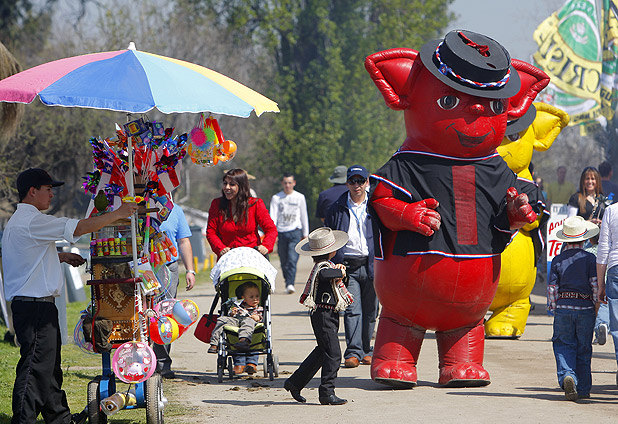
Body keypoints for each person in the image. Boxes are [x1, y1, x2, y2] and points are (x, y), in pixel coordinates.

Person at [2, 168, 139, 424]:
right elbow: (77, 228)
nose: (51, 195)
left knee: (49, 368)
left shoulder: (19, 222)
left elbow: (26, 258)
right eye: (48, 190)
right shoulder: (33, 221)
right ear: (33, 192)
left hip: (34, 306)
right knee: (34, 369)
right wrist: (116, 215)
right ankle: (23, 419)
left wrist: (61, 256)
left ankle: (59, 418)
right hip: (35, 309)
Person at [206, 168, 277, 374]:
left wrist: (266, 246)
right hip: (229, 262)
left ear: (242, 186)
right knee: (233, 306)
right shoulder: (217, 206)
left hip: (251, 260)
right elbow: (211, 231)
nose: (227, 188)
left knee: (254, 306)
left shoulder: (256, 205)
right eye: (225, 183)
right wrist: (221, 248)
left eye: (232, 184)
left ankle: (252, 356)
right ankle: (237, 356)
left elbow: (271, 229)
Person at [284, 227, 352, 405]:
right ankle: (326, 392)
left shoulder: (326, 266)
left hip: (326, 315)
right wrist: (341, 272)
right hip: (323, 316)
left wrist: (342, 273)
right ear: (332, 250)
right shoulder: (323, 267)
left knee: (323, 351)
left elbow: (336, 279)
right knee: (334, 353)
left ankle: (295, 382)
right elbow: (325, 275)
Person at [325, 165, 378, 368]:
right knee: (352, 310)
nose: (356, 185)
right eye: (352, 181)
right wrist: (332, 262)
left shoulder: (375, 205)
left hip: (372, 263)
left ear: (367, 183)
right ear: (347, 183)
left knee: (371, 311)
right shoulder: (337, 207)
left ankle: (367, 350)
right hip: (347, 265)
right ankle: (353, 352)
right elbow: (329, 236)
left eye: (360, 181)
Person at [548, 216, 599, 401]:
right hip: (585, 308)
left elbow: (553, 288)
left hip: (563, 307)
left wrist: (554, 308)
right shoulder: (590, 259)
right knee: (584, 349)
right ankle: (584, 389)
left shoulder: (557, 260)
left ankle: (568, 374)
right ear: (584, 238)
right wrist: (596, 306)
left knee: (563, 344)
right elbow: (594, 285)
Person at [152, 203, 196, 379]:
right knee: (142, 313)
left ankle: (162, 364)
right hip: (142, 266)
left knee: (165, 314)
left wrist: (190, 270)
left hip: (168, 267)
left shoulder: (175, 210)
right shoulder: (136, 207)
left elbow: (183, 240)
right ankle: (143, 360)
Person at [270, 172, 309, 294]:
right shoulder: (276, 198)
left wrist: (305, 233)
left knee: (292, 259)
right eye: (285, 183)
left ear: (294, 183)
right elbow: (273, 216)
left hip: (295, 231)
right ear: (282, 183)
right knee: (284, 260)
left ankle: (290, 284)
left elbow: (304, 215)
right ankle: (288, 280)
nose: (288, 185)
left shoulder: (299, 197)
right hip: (281, 231)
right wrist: (273, 233)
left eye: (290, 183)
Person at [208, 281, 264, 353]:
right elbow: (231, 316)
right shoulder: (238, 306)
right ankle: (214, 343)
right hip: (236, 321)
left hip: (249, 322)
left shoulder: (258, 308)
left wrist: (257, 317)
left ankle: (243, 340)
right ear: (243, 298)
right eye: (251, 297)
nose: (255, 299)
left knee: (248, 321)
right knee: (222, 320)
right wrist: (232, 313)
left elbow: (261, 316)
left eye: (257, 296)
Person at [596, 199, 618, 385]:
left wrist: (600, 284)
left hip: (615, 269)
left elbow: (603, 249)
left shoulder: (611, 211)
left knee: (617, 327)